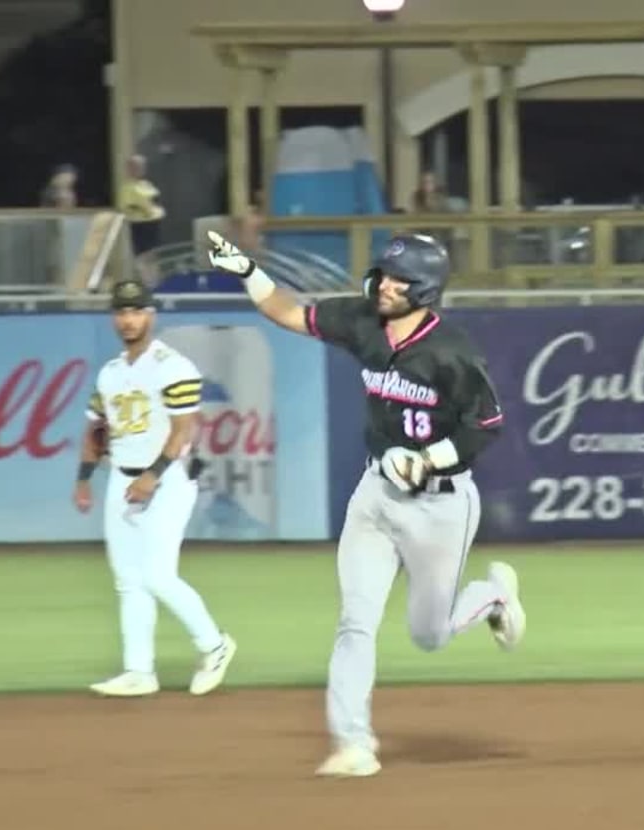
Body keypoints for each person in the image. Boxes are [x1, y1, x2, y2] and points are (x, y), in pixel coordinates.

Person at [205, 229, 526, 779]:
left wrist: (428, 460)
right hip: (376, 494)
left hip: (440, 505)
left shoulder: (453, 351)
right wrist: (246, 270)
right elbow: (290, 314)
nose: (385, 283)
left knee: (429, 635)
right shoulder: (362, 322)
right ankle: (353, 742)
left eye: (400, 279)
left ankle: (492, 596)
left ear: (424, 289)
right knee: (355, 621)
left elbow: (487, 425)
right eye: (385, 271)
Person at [74, 279, 238, 698]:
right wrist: (83, 478)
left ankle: (215, 645)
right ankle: (139, 671)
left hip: (166, 480)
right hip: (121, 477)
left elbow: (185, 429)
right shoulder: (110, 372)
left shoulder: (172, 365)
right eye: (122, 312)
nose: (128, 320)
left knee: (158, 576)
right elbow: (97, 427)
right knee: (128, 579)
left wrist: (153, 475)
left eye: (136, 311)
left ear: (151, 314)